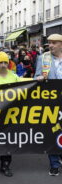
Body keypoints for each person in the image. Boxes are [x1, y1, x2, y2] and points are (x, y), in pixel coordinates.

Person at [35, 33, 62, 176]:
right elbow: (36, 77)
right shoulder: (43, 58)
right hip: (50, 103)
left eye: (54, 43)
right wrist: (39, 78)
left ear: (61, 45)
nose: (50, 45)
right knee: (52, 133)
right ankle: (54, 164)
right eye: (49, 42)